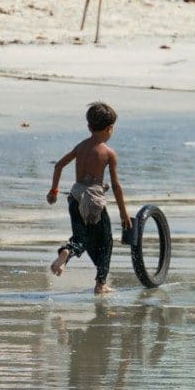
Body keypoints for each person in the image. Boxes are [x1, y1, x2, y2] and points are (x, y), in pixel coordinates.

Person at [47, 102, 132, 294]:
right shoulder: (108, 153)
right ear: (110, 129)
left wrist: (53, 191)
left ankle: (66, 253)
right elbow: (117, 185)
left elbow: (58, 166)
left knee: (81, 237)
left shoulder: (81, 147)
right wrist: (123, 213)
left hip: (75, 196)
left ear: (89, 127)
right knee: (106, 241)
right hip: (94, 201)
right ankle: (100, 284)